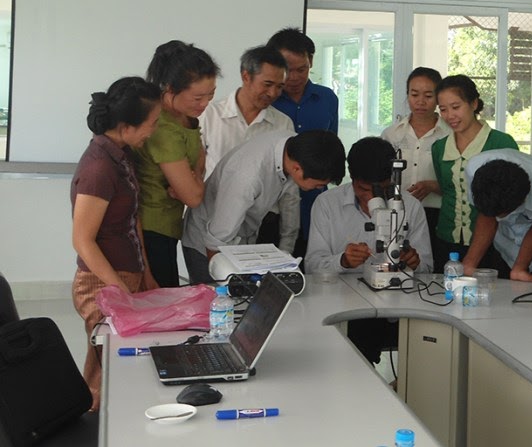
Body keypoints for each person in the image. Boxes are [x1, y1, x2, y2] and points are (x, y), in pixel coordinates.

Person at [71, 77, 162, 410]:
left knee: (119, 370)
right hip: (101, 283)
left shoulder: (122, 155)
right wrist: (118, 289)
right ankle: (94, 431)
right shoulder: (99, 168)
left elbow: (131, 220)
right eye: (151, 124)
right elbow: (82, 240)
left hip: (125, 276)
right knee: (104, 375)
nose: (154, 131)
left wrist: (145, 276)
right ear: (126, 126)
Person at [306, 137, 433, 365]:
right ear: (352, 178)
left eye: (382, 190)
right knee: (355, 346)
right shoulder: (326, 204)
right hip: (347, 309)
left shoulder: (410, 206)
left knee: (427, 340)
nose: (371, 198)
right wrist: (342, 261)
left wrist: (414, 262)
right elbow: (312, 265)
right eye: (364, 189)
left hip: (398, 307)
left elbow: (427, 268)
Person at [181, 130, 346, 284]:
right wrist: (222, 286)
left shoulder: (294, 147)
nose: (318, 189)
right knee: (216, 305)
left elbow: (290, 202)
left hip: (240, 239)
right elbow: (216, 241)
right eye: (318, 185)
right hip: (206, 246)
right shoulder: (247, 177)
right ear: (297, 168)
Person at [134, 40, 220, 287]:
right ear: (170, 90)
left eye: (211, 95)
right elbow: (193, 197)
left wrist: (194, 177)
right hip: (152, 228)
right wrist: (196, 174)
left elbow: (194, 178)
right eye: (197, 97)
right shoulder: (163, 128)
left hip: (169, 225)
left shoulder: (183, 116)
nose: (205, 104)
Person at [431, 74, 518, 271]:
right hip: (446, 240)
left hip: (494, 243)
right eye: (443, 109)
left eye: (456, 107)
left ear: (473, 103)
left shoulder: (502, 143)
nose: (449, 116)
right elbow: (446, 189)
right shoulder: (439, 147)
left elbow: (512, 198)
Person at [266, 27, 339, 259]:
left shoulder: (327, 99)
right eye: (288, 70)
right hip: (273, 204)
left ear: (311, 62)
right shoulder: (267, 101)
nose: (295, 77)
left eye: (302, 69)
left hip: (314, 202)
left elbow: (331, 149)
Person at [466, 149, 532, 282]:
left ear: (522, 200)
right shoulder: (474, 169)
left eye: (503, 215)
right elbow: (487, 215)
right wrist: (468, 265)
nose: (499, 219)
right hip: (502, 245)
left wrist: (520, 269)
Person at [200, 45, 294, 179]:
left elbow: (287, 182)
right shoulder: (209, 115)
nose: (273, 93)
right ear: (246, 77)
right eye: (267, 84)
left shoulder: (283, 124)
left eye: (279, 87)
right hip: (215, 199)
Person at [380, 67, 450, 238]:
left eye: (428, 96)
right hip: (397, 212)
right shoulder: (392, 134)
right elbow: (380, 175)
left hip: (438, 214)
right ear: (407, 95)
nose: (420, 102)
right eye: (414, 94)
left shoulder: (450, 134)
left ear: (438, 98)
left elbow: (460, 180)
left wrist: (434, 186)